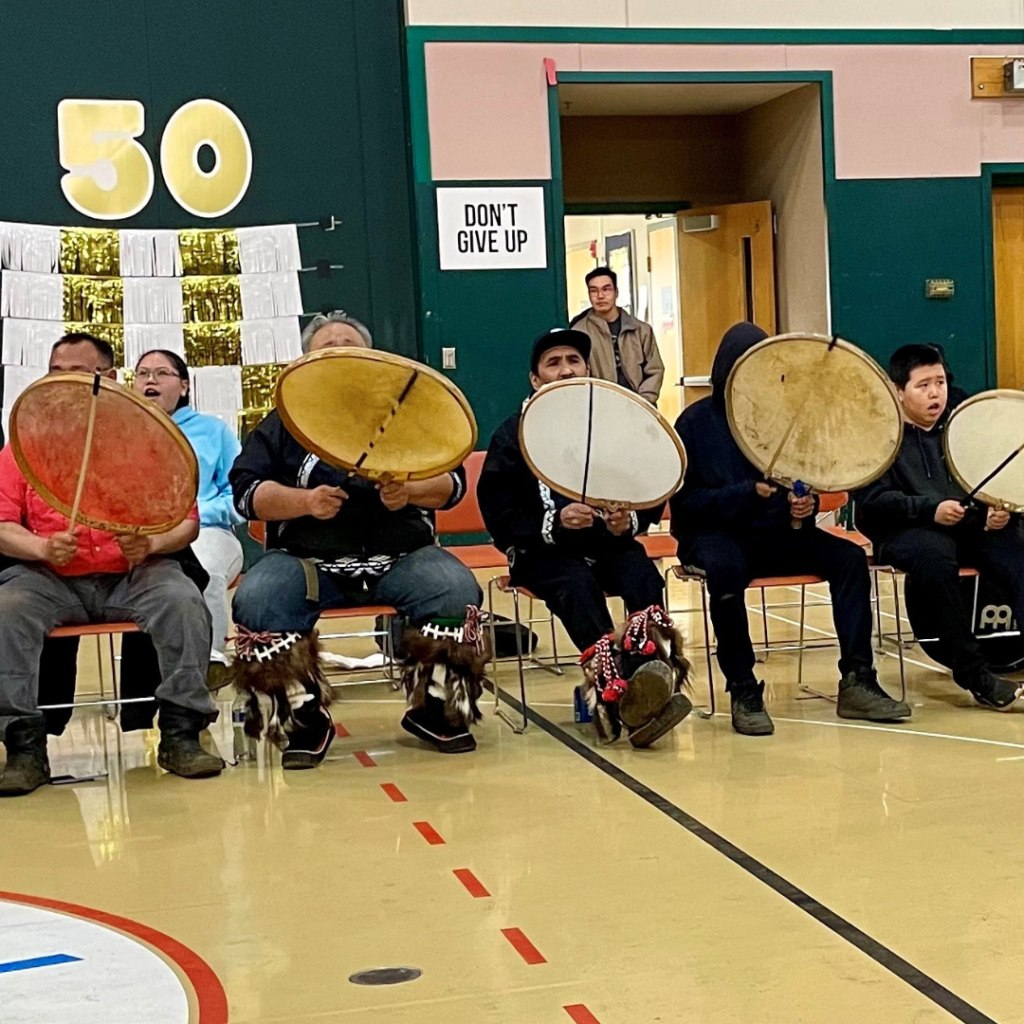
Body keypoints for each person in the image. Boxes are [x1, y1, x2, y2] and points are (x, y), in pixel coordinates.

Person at [228, 311, 484, 764]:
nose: (339, 352)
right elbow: (248, 494)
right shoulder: (282, 424)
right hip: (306, 561)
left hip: (403, 555)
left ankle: (435, 705)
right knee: (260, 599)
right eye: (326, 348)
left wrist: (410, 492)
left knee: (455, 589)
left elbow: (454, 484)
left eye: (349, 344)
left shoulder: (407, 415)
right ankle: (303, 714)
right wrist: (304, 503)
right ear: (306, 363)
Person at [0, 333, 223, 795]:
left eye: (78, 374)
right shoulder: (22, 447)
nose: (62, 384)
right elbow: (1, 525)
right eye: (55, 373)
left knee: (182, 601)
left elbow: (187, 524)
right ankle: (24, 747)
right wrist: (40, 548)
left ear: (110, 379)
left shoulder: (150, 443)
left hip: (133, 573)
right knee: (7, 610)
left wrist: (152, 542)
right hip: (48, 577)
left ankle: (181, 734)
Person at [670, 322, 910, 736]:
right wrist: (747, 493)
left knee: (849, 559)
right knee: (725, 570)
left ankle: (858, 680)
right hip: (713, 537)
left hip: (777, 534)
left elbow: (806, 480)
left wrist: (806, 503)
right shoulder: (694, 424)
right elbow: (686, 506)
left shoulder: (783, 417)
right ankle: (743, 689)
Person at [478, 327, 667, 654]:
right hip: (540, 553)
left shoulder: (614, 426)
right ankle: (611, 677)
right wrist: (556, 521)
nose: (566, 369)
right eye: (553, 362)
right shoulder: (512, 434)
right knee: (577, 584)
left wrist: (628, 520)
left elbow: (647, 487)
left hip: (606, 544)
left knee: (643, 575)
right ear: (535, 379)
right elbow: (498, 514)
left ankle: (652, 668)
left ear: (587, 371)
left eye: (574, 360)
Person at [855, 343, 1024, 709]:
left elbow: (991, 479)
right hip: (906, 531)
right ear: (898, 392)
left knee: (1017, 552)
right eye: (924, 385)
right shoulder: (876, 436)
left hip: (970, 526)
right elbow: (871, 504)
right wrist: (930, 509)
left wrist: (998, 510)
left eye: (941, 382)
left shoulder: (965, 424)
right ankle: (974, 674)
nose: (936, 393)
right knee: (934, 554)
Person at [132, 349, 243, 678]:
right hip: (138, 537)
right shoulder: (119, 430)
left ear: (183, 386)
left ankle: (207, 659)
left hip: (208, 531)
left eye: (161, 373)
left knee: (203, 565)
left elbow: (239, 495)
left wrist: (195, 515)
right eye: (142, 373)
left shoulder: (213, 431)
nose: (150, 380)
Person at [570, 267, 664, 405]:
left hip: (640, 408)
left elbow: (655, 370)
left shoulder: (641, 330)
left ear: (616, 292)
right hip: (599, 410)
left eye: (606, 289)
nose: (600, 296)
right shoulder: (579, 332)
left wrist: (643, 402)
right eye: (594, 290)